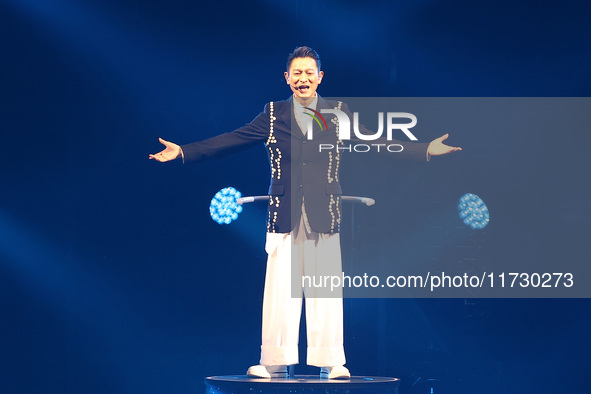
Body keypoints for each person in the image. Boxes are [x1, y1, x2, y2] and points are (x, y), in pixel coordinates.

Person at [150, 46, 461, 379]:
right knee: (280, 291)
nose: (303, 79)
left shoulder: (337, 113)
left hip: (322, 213)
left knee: (324, 290)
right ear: (287, 78)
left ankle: (332, 362)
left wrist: (423, 149)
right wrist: (184, 151)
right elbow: (234, 139)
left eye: (309, 73)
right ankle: (273, 361)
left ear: (319, 77)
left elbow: (377, 142)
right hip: (283, 215)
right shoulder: (272, 115)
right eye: (296, 73)